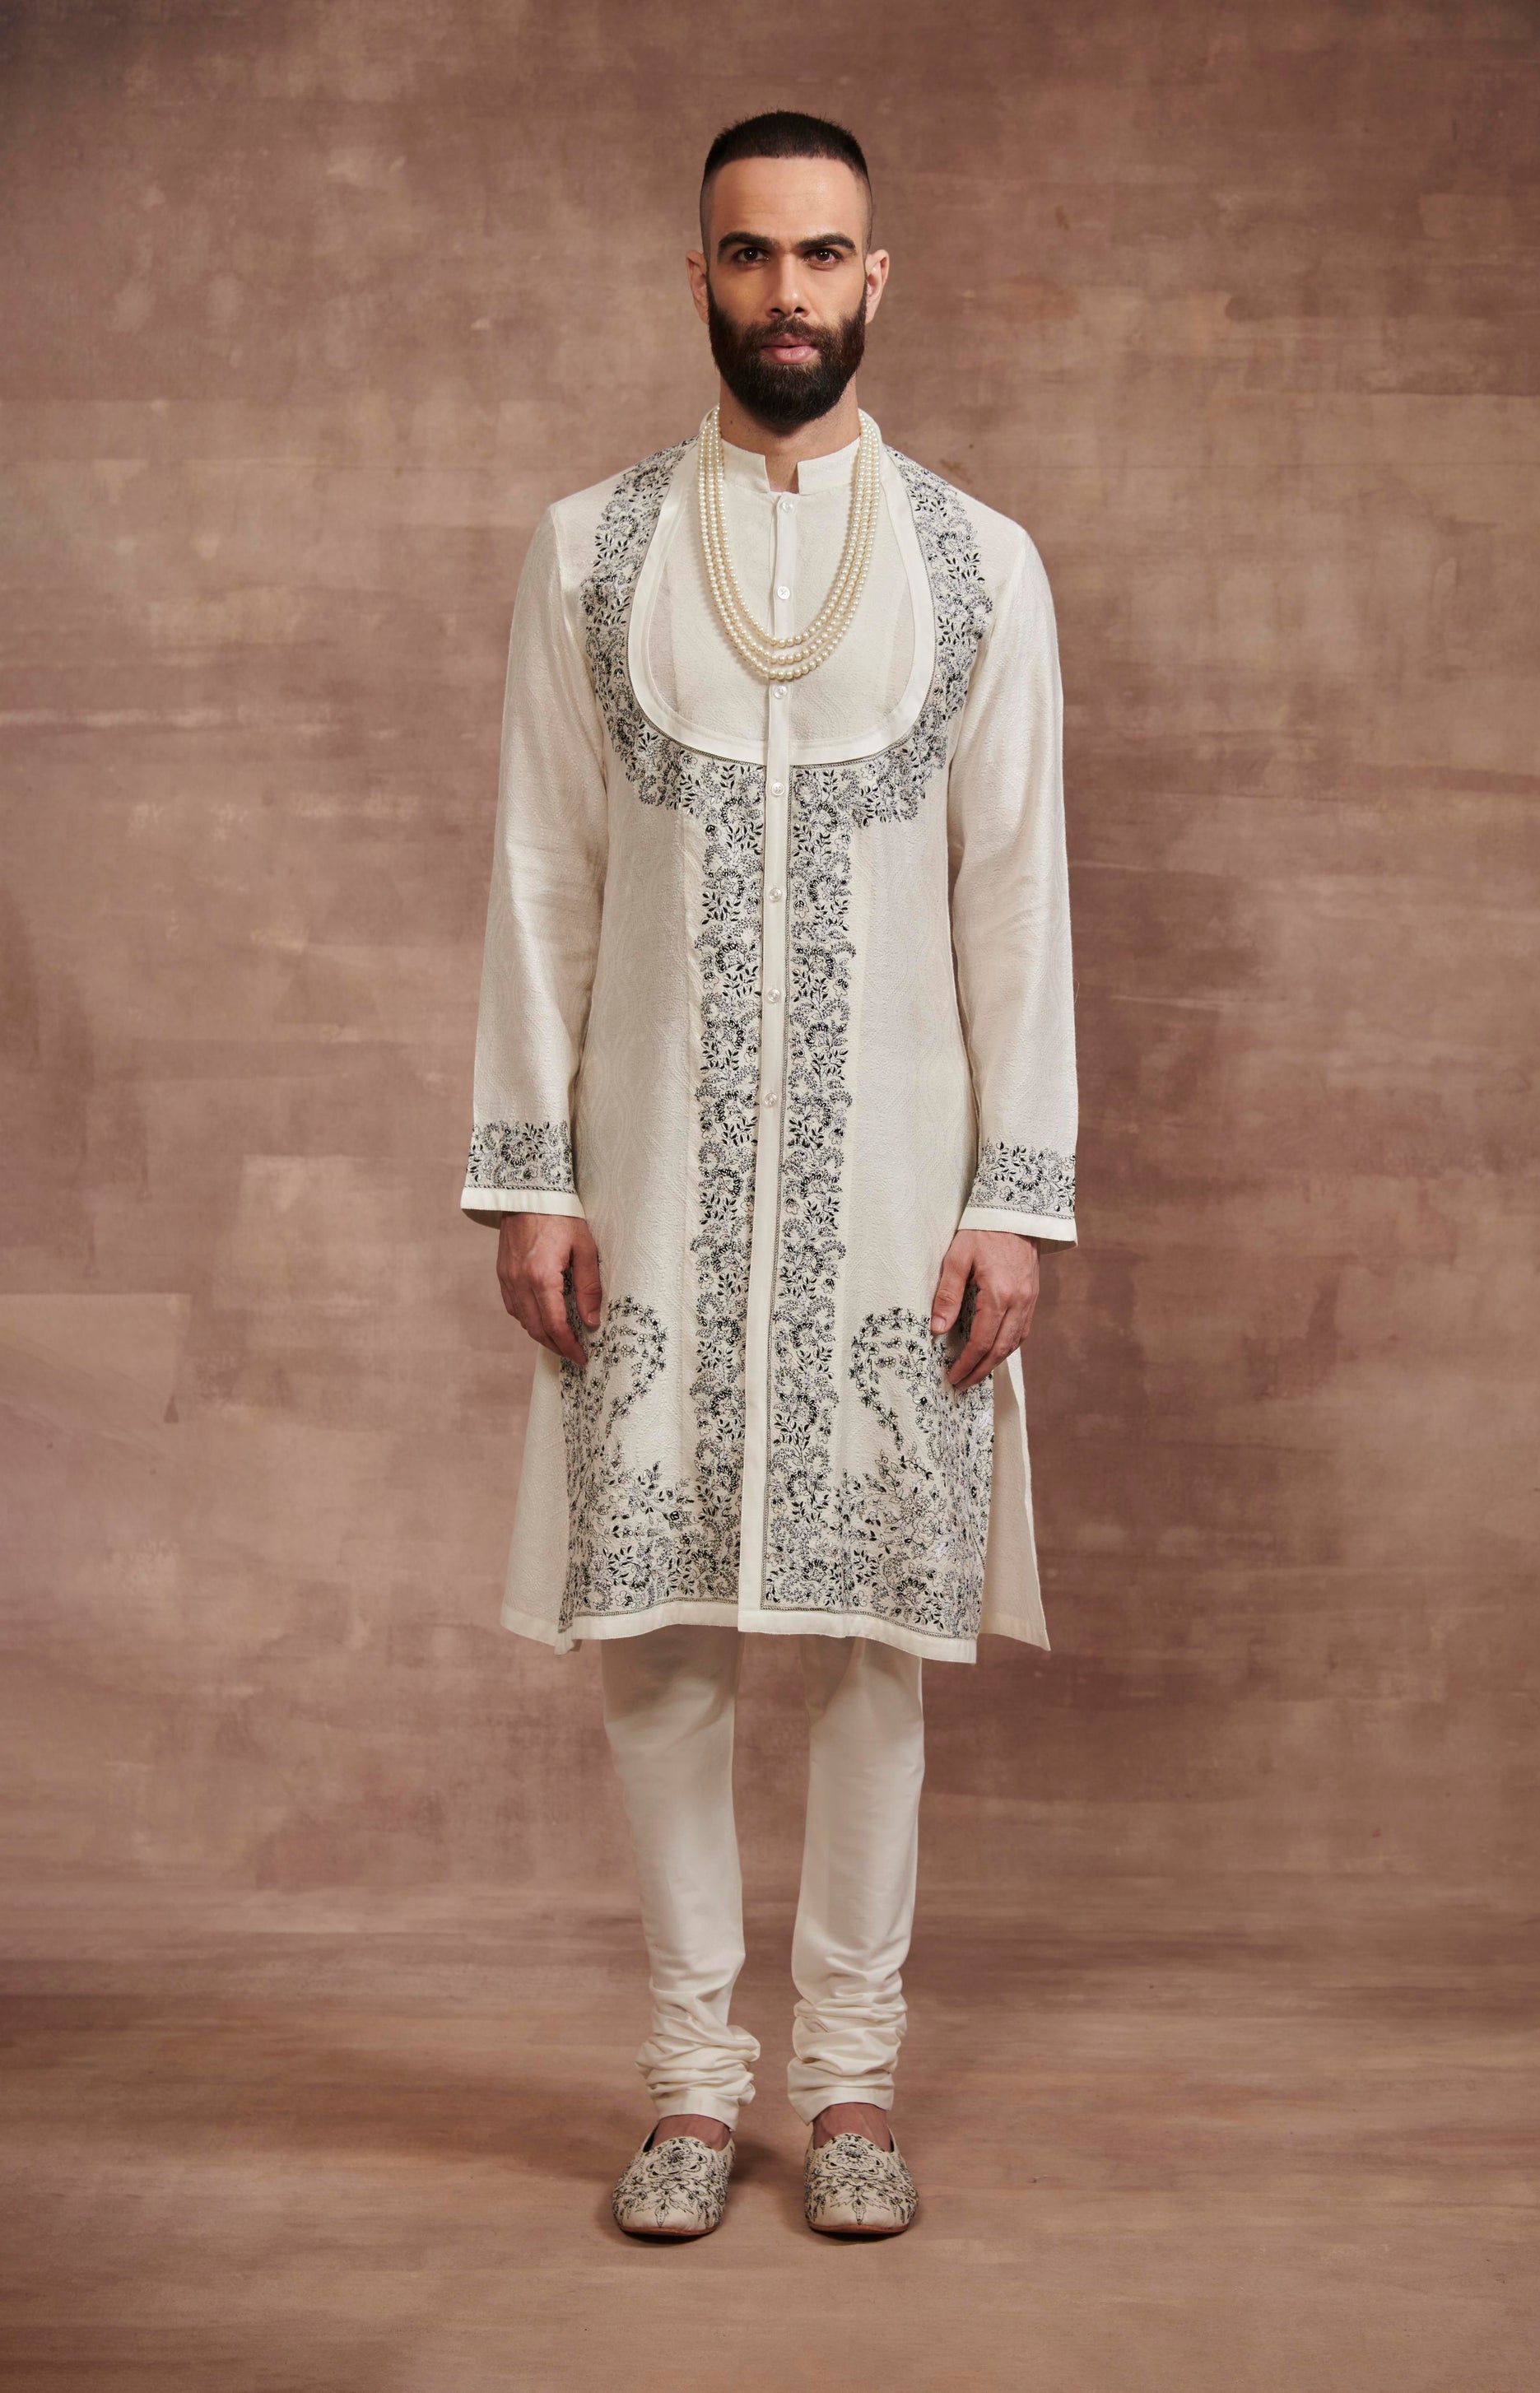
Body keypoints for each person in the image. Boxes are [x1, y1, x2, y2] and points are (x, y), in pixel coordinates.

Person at [459, 109, 1078, 2240]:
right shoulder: (590, 551)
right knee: (657, 1638)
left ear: (875, 280)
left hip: (901, 1193)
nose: (787, 294)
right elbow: (539, 870)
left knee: (872, 1637)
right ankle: (687, 2085)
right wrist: (531, 1175)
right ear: (698, 274)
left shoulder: (981, 564)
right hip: (645, 1179)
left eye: (823, 257)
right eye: (750, 255)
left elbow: (1018, 896)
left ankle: (849, 2084)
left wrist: (1013, 1195)